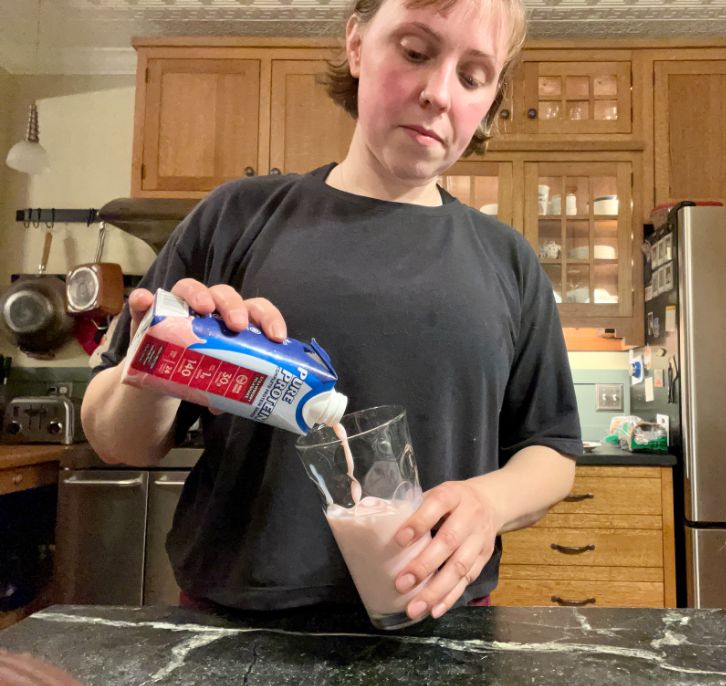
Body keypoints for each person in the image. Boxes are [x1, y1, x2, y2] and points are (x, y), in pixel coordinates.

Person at [82, 0, 582, 622]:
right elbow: (114, 439)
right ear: (356, 45)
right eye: (415, 52)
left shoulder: (508, 260)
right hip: (236, 624)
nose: (438, 94)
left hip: (440, 622)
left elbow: (552, 450)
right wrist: (157, 370)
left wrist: (490, 501)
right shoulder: (235, 217)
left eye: (473, 76)